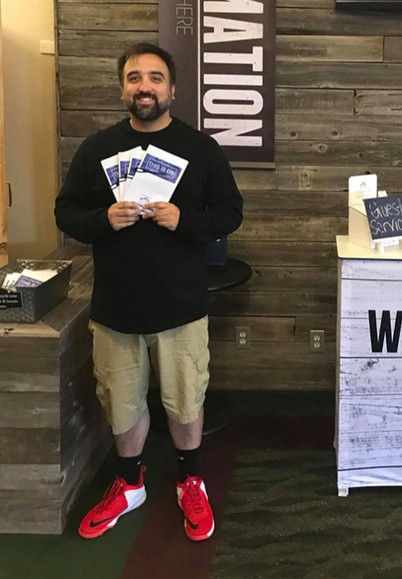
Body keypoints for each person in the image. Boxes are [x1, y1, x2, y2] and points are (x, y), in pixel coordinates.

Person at [54, 42, 243, 541]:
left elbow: (231, 212)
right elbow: (65, 211)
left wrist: (185, 221)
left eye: (155, 78)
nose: (144, 87)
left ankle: (190, 479)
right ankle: (130, 483)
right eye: (134, 78)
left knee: (186, 399)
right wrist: (102, 219)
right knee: (121, 403)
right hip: (116, 307)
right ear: (123, 89)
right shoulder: (97, 148)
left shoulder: (201, 149)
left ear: (172, 89)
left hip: (181, 306)